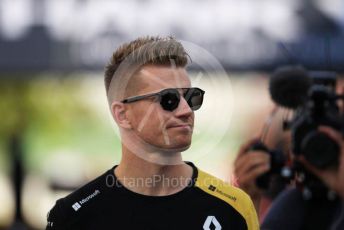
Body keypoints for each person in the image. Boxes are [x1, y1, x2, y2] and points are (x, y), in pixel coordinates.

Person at [46, 36, 259, 230]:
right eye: (169, 99)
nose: (186, 110)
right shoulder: (73, 216)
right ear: (122, 115)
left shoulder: (234, 207)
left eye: (191, 97)